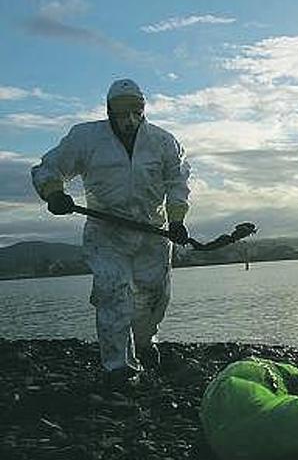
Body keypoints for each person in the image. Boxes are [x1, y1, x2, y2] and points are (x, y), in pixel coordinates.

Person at [32, 79, 191, 388]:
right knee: (113, 294)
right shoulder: (85, 138)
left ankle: (145, 345)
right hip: (106, 235)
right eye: (122, 113)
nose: (130, 120)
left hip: (153, 233)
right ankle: (118, 368)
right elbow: (48, 167)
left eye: (136, 112)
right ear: (108, 112)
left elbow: (177, 182)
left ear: (144, 110)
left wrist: (176, 219)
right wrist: (54, 193)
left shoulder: (164, 142)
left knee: (153, 298)